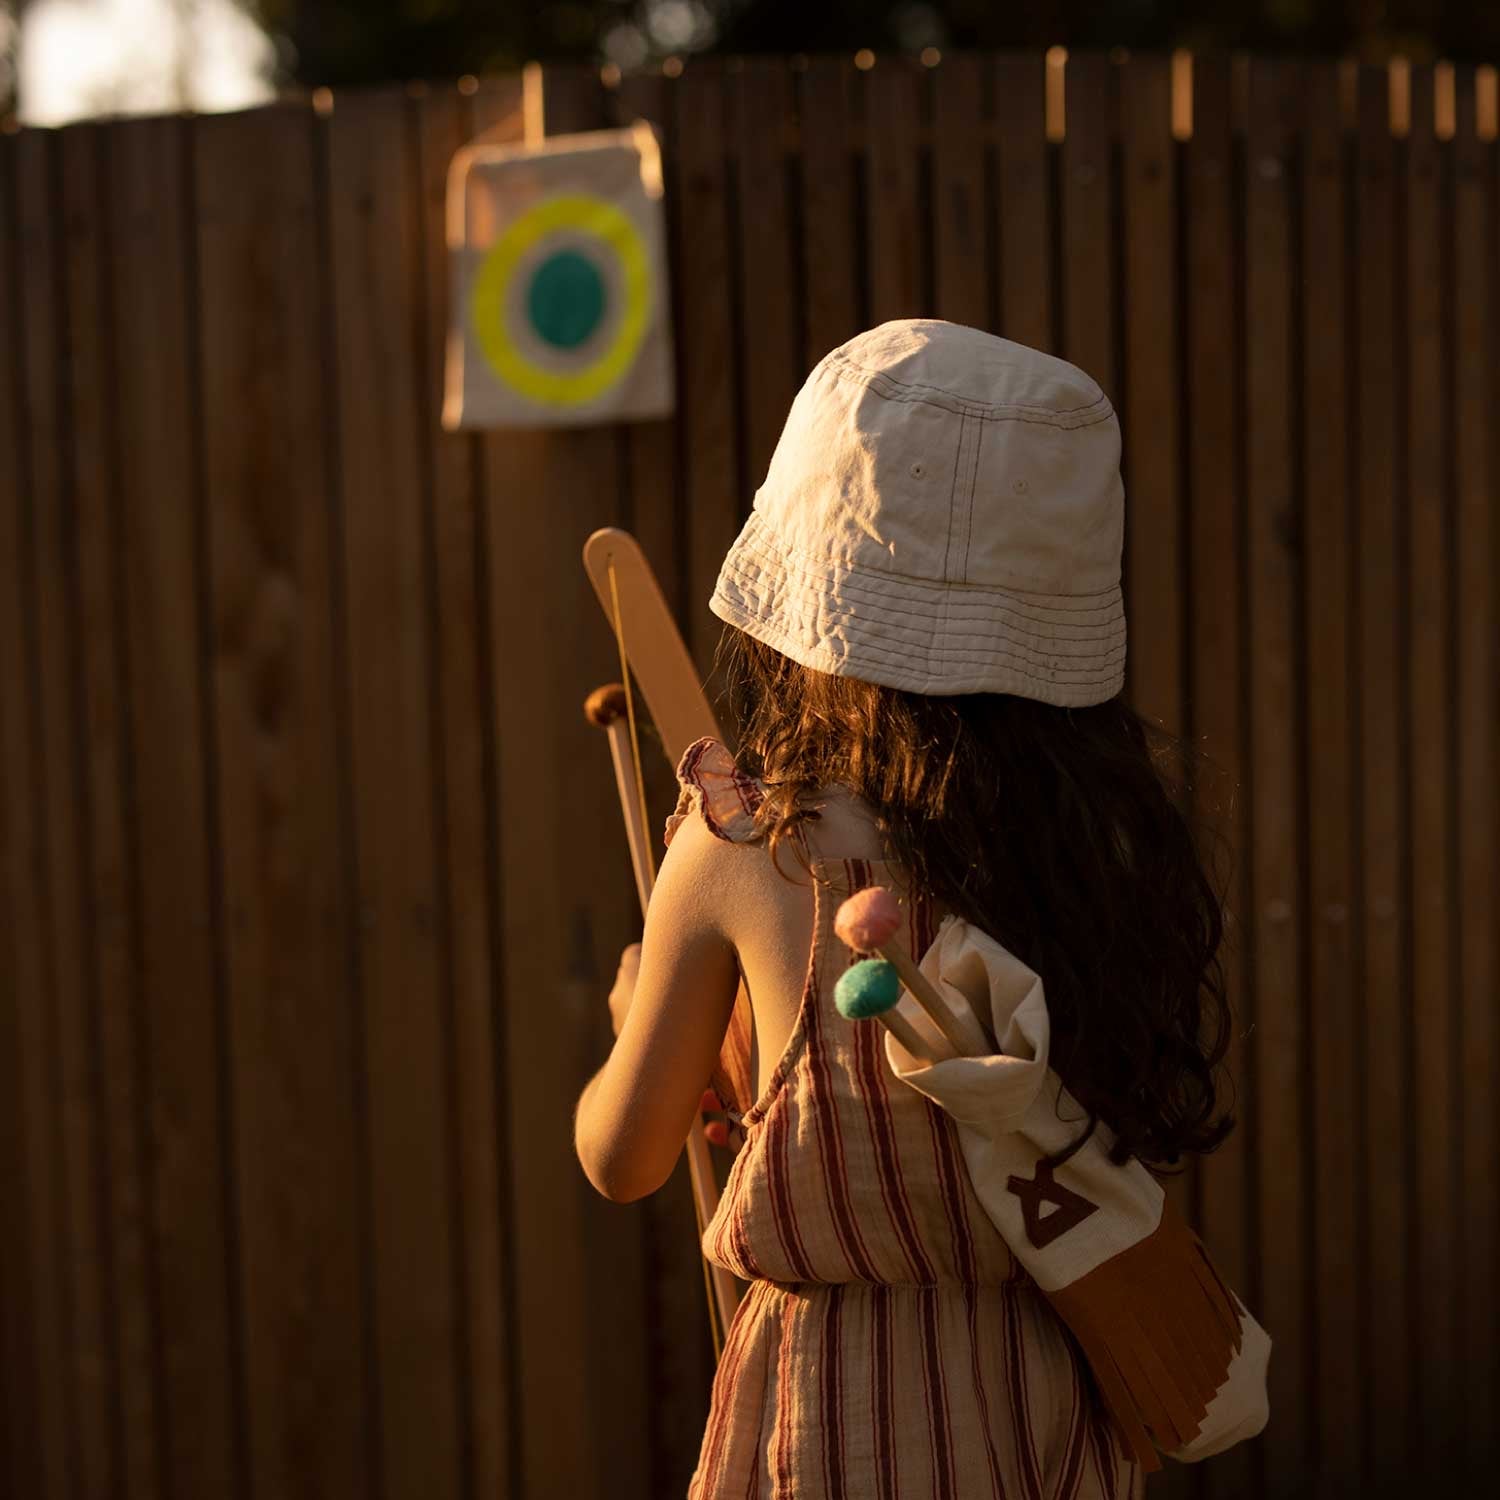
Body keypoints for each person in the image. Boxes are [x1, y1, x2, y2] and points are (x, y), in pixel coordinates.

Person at [574, 319, 1240, 1498]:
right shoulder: (1099, 859)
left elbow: (620, 1155)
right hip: (1046, 1410)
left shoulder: (741, 846)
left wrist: (642, 1018)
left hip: (826, 1436)